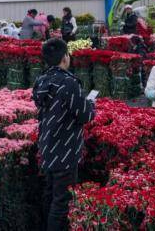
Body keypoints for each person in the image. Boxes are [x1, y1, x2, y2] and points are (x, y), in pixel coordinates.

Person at [32, 38, 96, 231]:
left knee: (50, 194)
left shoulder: (41, 80)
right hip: (65, 148)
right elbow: (84, 115)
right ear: (64, 57)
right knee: (62, 201)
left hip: (47, 145)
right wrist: (91, 105)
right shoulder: (68, 82)